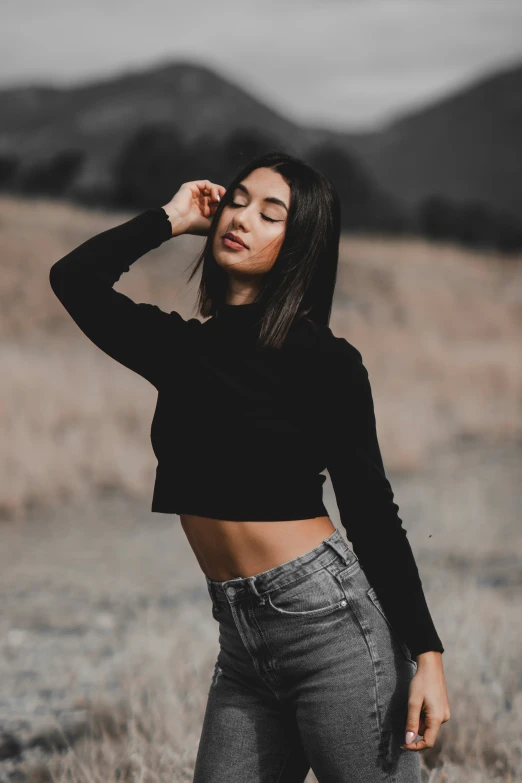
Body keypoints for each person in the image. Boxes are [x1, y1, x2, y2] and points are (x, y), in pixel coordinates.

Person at [49, 151, 450, 782]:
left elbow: (372, 512)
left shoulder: (328, 362)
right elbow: (73, 279)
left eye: (271, 214)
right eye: (236, 201)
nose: (241, 218)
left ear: (301, 244)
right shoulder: (180, 349)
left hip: (331, 630)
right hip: (240, 640)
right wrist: (171, 216)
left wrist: (427, 653)